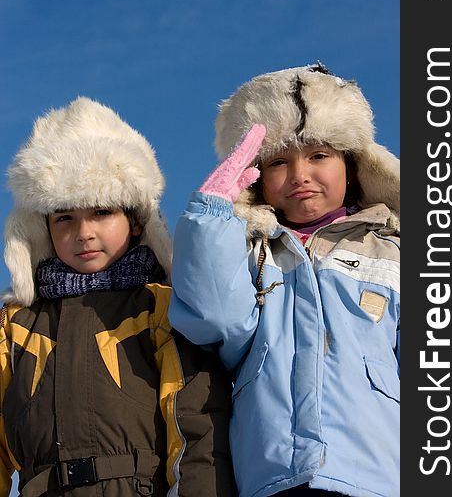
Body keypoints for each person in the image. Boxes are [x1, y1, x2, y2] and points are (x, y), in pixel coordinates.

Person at [169, 63, 400, 497]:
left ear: (351, 165)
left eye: (318, 155)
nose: (299, 176)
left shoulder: (391, 249)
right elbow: (214, 321)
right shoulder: (251, 252)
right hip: (274, 474)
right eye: (278, 161)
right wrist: (212, 216)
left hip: (377, 475)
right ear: (255, 179)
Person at [0, 97, 237, 497]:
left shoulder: (162, 309)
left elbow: (197, 428)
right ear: (42, 228)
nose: (84, 232)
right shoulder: (16, 326)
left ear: (138, 220)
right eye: (65, 218)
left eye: (102, 212)